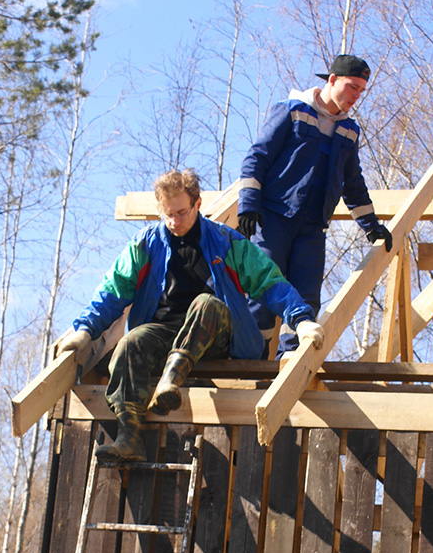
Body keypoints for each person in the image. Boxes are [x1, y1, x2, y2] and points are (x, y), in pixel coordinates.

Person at [60, 168, 324, 462]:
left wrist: (301, 319)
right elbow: (114, 290)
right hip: (168, 333)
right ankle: (129, 437)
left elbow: (268, 281)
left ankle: (171, 379)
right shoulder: (145, 245)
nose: (175, 222)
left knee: (205, 303)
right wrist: (85, 329)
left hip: (217, 336)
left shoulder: (225, 241)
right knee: (131, 341)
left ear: (197, 205)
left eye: (182, 212)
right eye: (168, 214)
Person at [237, 54, 392, 352]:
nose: (356, 96)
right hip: (274, 218)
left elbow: (354, 185)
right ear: (332, 80)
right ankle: (249, 361)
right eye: (352, 87)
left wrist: (372, 227)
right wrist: (248, 206)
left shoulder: (349, 130)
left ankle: (292, 362)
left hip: (312, 228)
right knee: (261, 290)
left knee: (306, 297)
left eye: (361, 90)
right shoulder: (291, 110)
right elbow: (256, 159)